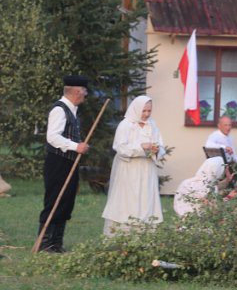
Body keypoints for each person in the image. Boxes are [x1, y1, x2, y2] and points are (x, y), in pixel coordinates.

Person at [37, 75, 91, 252]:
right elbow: (52, 137)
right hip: (58, 163)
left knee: (66, 201)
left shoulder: (72, 111)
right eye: (84, 91)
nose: (86, 94)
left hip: (69, 163)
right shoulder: (59, 110)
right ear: (77, 92)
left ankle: (56, 243)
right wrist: (76, 146)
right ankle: (46, 244)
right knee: (54, 200)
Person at [102, 95, 166, 236]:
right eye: (144, 111)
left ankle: (144, 234)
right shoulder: (126, 125)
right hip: (129, 170)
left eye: (149, 111)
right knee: (127, 200)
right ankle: (122, 234)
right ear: (137, 109)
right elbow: (120, 147)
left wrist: (157, 150)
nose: (147, 114)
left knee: (145, 200)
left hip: (146, 170)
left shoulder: (152, 124)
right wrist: (141, 147)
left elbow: (161, 144)